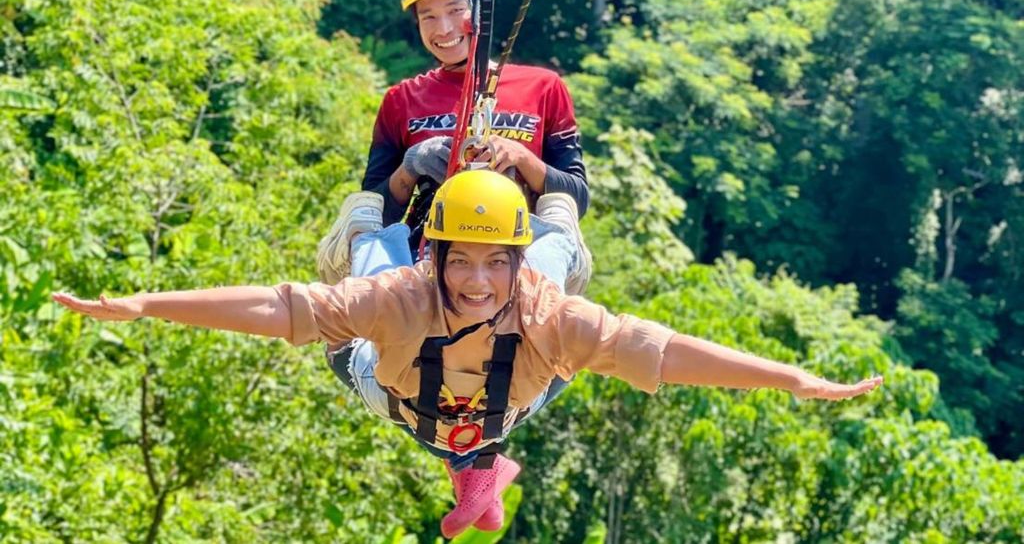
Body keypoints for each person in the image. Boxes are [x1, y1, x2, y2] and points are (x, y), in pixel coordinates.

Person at [54, 169, 883, 539]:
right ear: (437, 255)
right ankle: (374, 221)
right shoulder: (400, 294)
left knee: (561, 271)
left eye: (496, 262)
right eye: (462, 259)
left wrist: (789, 378)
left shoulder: (545, 309)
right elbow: (284, 310)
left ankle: (553, 223)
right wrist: (145, 305)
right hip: (398, 395)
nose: (478, 279)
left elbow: (660, 351)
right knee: (359, 248)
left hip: (508, 401)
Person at [316, 0, 591, 296]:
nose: (443, 29)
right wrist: (411, 166)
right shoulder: (401, 100)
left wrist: (521, 158)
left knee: (554, 246)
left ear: (478, 9)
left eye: (455, 9)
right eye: (427, 16)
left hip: (518, 251)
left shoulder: (544, 88)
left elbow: (577, 197)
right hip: (430, 252)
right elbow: (375, 214)